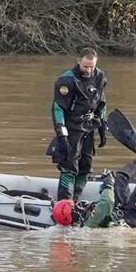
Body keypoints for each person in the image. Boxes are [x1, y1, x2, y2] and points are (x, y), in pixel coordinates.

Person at [48, 47, 108, 200]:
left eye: (91, 67)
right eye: (85, 66)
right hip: (72, 127)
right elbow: (57, 108)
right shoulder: (67, 80)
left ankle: (75, 199)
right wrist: (62, 135)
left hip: (89, 127)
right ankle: (64, 204)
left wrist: (102, 126)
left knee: (86, 167)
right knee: (69, 167)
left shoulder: (100, 76)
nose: (88, 70)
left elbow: (101, 103)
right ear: (78, 61)